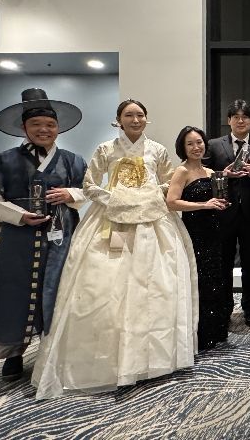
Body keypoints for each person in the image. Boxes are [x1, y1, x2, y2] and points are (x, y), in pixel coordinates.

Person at [32, 100, 198, 398]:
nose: (135, 120)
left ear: (147, 119)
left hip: (153, 220)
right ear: (119, 120)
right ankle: (110, 361)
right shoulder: (106, 149)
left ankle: (154, 360)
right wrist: (117, 199)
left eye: (140, 115)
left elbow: (168, 182)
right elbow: (90, 185)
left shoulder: (157, 150)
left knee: (157, 285)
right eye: (129, 115)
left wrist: (147, 195)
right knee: (106, 287)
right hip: (111, 219)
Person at [0, 89, 87, 381]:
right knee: (12, 291)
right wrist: (19, 215)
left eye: (50, 124)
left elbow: (88, 190)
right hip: (15, 238)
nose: (44, 130)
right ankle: (13, 354)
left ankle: (53, 349)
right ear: (24, 127)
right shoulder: (3, 160)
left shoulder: (73, 160)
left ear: (58, 127)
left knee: (60, 290)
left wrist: (70, 194)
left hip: (61, 236)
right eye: (36, 124)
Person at [204, 100, 250, 328]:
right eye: (236, 117)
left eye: (245, 117)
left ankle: (249, 309)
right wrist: (223, 174)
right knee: (224, 264)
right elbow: (203, 174)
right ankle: (225, 309)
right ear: (228, 120)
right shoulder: (213, 145)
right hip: (223, 213)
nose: (241, 121)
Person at [167, 126, 230, 350]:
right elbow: (171, 202)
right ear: (183, 148)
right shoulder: (181, 171)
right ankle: (198, 335)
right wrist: (203, 205)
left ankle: (215, 331)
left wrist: (220, 204)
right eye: (190, 144)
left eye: (199, 142)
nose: (196, 147)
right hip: (194, 232)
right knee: (198, 280)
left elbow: (216, 200)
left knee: (214, 280)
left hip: (214, 230)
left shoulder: (211, 172)